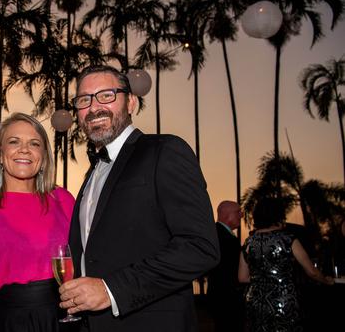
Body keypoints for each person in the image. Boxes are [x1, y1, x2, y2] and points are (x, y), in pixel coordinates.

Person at [57, 65, 220, 331]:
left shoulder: (164, 151)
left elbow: (200, 247)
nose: (94, 107)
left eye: (106, 95)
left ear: (131, 102)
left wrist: (111, 291)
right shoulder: (93, 173)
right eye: (84, 100)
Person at [0, 112, 76, 332]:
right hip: (12, 321)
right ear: (0, 154)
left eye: (34, 143)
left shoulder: (63, 199)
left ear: (43, 156)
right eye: (14, 141)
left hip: (66, 318)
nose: (24, 149)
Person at [238, 197, 334, 332]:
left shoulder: (248, 242)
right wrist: (326, 281)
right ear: (279, 215)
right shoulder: (288, 240)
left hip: (256, 304)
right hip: (283, 302)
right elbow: (312, 271)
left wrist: (262, 278)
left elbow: (242, 277)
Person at [206, 200, 244, 332]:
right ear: (227, 214)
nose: (242, 215)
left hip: (220, 297)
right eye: (238, 212)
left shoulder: (216, 233)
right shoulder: (223, 237)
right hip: (227, 299)